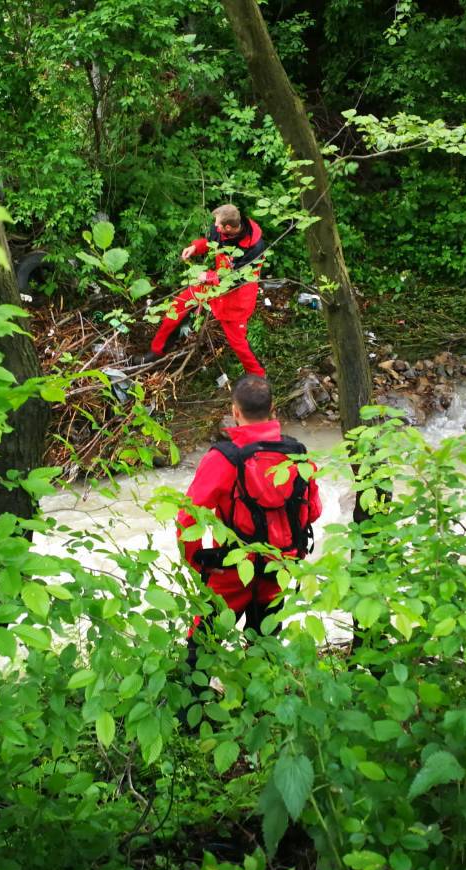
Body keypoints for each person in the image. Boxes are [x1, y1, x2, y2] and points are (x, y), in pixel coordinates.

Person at [177, 375, 322, 668]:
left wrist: (197, 563)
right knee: (265, 643)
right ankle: (260, 704)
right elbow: (313, 511)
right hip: (278, 568)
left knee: (200, 647)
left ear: (234, 412)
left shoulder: (223, 459)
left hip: (230, 570)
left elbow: (188, 518)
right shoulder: (298, 456)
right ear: (273, 410)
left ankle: (193, 706)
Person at [140, 203, 268, 376]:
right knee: (177, 308)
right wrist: (195, 247)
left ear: (228, 227)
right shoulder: (221, 227)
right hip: (209, 285)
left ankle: (258, 376)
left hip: (236, 297)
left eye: (218, 225)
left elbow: (237, 279)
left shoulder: (255, 247)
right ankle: (156, 353)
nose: (214, 226)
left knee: (238, 342)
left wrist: (209, 277)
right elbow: (210, 242)